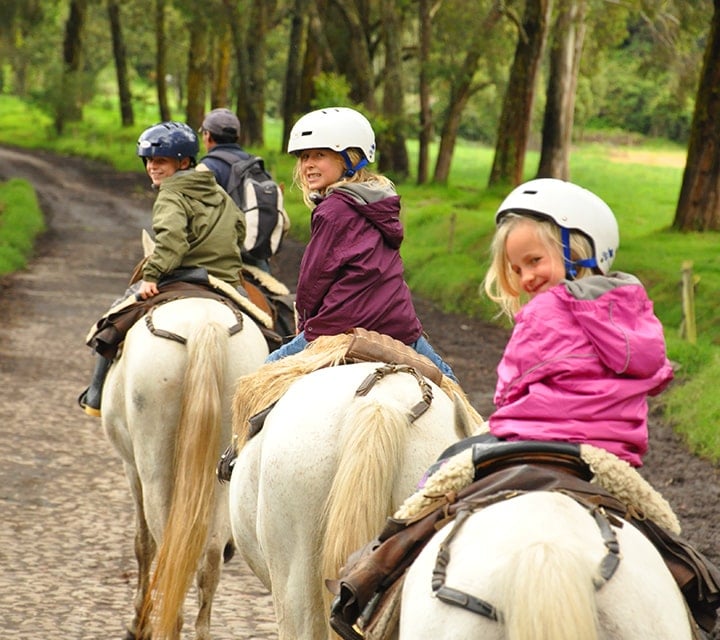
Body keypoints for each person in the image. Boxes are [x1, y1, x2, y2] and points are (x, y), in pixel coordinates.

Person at [482, 177, 674, 467]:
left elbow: (508, 388)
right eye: (518, 269)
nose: (526, 278)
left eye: (534, 261)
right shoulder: (633, 310)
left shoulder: (543, 310)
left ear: (576, 252)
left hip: (538, 439)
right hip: (617, 452)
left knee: (443, 477)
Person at [264, 106, 457, 382]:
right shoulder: (382, 204)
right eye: (304, 156)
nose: (308, 164)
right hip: (398, 325)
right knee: (449, 385)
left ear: (350, 157)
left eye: (320, 154)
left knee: (264, 375)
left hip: (338, 326)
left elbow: (314, 279)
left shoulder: (332, 210)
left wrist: (306, 325)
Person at [78, 120, 246, 417]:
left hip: (183, 275)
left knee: (112, 320)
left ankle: (95, 396)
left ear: (183, 162)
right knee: (268, 329)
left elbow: (172, 241)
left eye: (161, 161)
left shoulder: (171, 193)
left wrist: (151, 276)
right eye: (149, 161)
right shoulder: (219, 192)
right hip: (227, 281)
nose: (152, 167)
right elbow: (240, 229)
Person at [196, 107, 280, 273]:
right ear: (237, 137)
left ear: (208, 135)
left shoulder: (205, 168)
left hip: (218, 259)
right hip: (256, 255)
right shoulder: (256, 166)